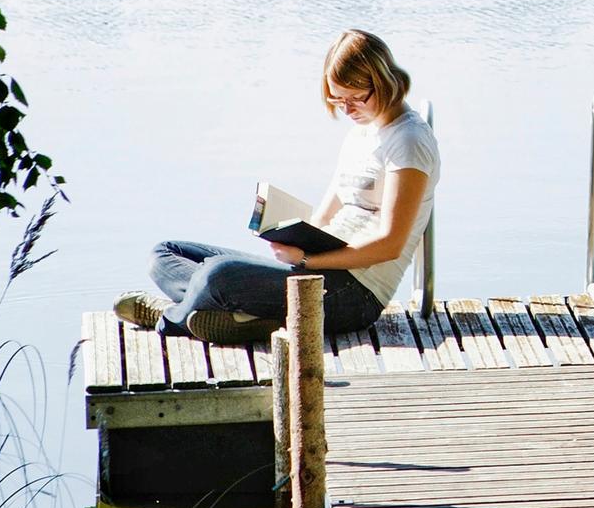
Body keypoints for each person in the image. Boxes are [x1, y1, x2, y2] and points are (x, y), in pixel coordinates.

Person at [114, 30, 441, 347]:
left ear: (384, 82)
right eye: (337, 100)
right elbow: (325, 218)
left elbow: (390, 244)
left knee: (217, 275)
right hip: (316, 266)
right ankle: (237, 313)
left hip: (354, 294)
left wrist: (309, 260)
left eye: (356, 98)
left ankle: (169, 316)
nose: (348, 109)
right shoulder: (362, 133)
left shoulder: (409, 142)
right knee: (165, 253)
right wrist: (288, 234)